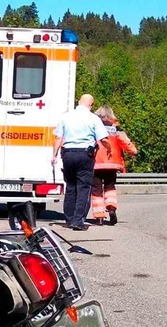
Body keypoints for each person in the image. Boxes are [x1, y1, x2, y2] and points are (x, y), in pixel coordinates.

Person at [52, 94, 111, 231]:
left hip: (67, 154)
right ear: (91, 104)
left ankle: (69, 218)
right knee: (84, 188)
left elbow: (58, 138)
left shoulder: (65, 116)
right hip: (85, 155)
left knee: (71, 187)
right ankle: (78, 221)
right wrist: (109, 149)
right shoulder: (93, 118)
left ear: (79, 102)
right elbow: (103, 139)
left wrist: (54, 155)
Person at [91, 105, 138, 226]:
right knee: (110, 188)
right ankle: (111, 208)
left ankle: (99, 216)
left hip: (96, 163)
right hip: (112, 163)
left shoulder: (93, 126)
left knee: (96, 191)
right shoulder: (115, 128)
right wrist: (134, 151)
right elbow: (126, 143)